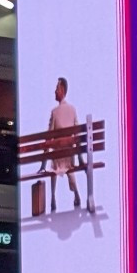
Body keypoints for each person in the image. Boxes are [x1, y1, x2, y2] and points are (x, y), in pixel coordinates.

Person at [45, 75, 82, 211]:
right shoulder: (72, 109)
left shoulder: (54, 112)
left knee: (54, 166)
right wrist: (79, 155)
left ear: (62, 90)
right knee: (69, 167)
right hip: (69, 155)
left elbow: (48, 136)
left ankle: (53, 197)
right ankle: (76, 193)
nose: (54, 91)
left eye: (56, 88)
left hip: (58, 156)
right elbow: (77, 132)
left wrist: (43, 159)